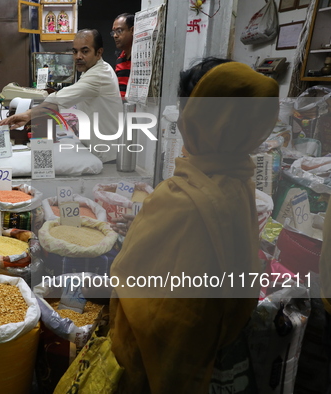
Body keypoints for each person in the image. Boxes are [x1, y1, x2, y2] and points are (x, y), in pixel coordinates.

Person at [108, 58, 279, 393]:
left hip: (170, 359)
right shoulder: (239, 176)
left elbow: (138, 294)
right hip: (218, 345)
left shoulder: (180, 197)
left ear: (197, 119)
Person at [0, 29, 122, 163]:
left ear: (99, 52)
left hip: (106, 155)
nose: (78, 56)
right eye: (75, 51)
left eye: (85, 51)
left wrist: (28, 114)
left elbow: (57, 100)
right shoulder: (98, 69)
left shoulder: (98, 75)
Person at [111, 13, 135, 98]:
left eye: (119, 31)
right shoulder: (120, 59)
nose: (115, 36)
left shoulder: (139, 58)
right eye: (114, 32)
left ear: (132, 30)